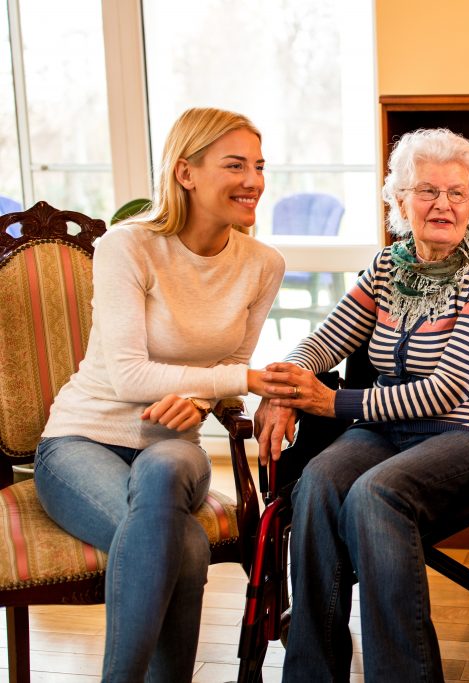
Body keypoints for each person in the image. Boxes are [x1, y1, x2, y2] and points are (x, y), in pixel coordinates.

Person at [252, 127, 469, 682]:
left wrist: (334, 404)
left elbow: (448, 389)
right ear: (400, 199)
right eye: (427, 191)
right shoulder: (386, 268)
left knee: (376, 495)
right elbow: (324, 339)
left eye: (457, 193)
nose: (443, 204)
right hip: (389, 433)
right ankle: (311, 674)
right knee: (319, 482)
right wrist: (288, 387)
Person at [34, 107, 285, 683]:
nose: (253, 180)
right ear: (185, 173)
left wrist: (200, 399)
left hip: (174, 442)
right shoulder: (129, 246)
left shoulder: (263, 265)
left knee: (169, 466)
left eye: (259, 166)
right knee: (189, 548)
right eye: (234, 165)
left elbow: (227, 365)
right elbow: (128, 377)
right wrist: (239, 383)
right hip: (81, 439)